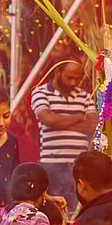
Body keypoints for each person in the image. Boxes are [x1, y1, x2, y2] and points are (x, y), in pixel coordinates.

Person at [31, 56, 97, 211]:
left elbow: (93, 125)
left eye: (77, 79)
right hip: (52, 163)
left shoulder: (85, 96)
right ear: (58, 72)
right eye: (69, 78)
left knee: (76, 210)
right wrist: (79, 117)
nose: (73, 82)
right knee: (53, 210)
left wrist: (59, 122)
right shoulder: (40, 93)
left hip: (79, 165)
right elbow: (47, 119)